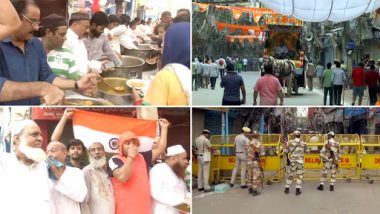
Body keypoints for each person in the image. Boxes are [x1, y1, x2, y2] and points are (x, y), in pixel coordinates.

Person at [0, 1, 98, 105]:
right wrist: (42, 88)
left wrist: (77, 84)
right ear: (15, 18)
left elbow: (47, 76)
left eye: (38, 23)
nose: (36, 28)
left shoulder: (35, 44)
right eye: (32, 21)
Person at [109, 119, 169, 214]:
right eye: (127, 143)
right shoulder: (114, 159)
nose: (132, 146)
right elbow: (122, 177)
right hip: (125, 210)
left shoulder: (142, 157)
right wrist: (131, 157)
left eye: (134, 143)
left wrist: (164, 128)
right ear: (120, 146)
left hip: (144, 209)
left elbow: (160, 149)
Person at [0, 120, 52, 213]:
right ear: (17, 138)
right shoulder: (3, 162)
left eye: (41, 135)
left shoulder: (44, 166)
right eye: (34, 134)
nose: (40, 138)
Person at [46, 141, 87, 214]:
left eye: (53, 151)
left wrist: (59, 177)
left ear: (64, 153)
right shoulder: (43, 173)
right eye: (47, 152)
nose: (49, 155)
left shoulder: (76, 172)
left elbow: (81, 196)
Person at [150, 145, 190, 214]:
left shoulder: (177, 173)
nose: (186, 161)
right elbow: (156, 192)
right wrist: (182, 200)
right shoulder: (159, 168)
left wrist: (188, 199)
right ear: (174, 158)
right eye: (184, 158)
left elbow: (183, 193)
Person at [40, 14, 81, 80]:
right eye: (62, 34)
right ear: (48, 32)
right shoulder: (31, 52)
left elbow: (75, 83)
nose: (65, 39)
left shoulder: (68, 55)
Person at [81, 142, 115, 214]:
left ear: (104, 151)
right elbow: (84, 200)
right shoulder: (87, 171)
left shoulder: (110, 170)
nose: (97, 152)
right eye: (93, 150)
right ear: (89, 153)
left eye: (99, 149)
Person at [284, 131, 309, 196]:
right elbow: (307, 152)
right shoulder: (303, 143)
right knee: (299, 175)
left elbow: (286, 151)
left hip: (292, 161)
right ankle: (297, 190)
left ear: (294, 135)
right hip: (300, 162)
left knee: (290, 174)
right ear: (299, 135)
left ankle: (287, 188)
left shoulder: (290, 142)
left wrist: (286, 146)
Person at [246, 130, 263, 196]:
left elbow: (246, 151)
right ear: (258, 136)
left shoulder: (248, 143)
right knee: (255, 176)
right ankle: (254, 190)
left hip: (249, 161)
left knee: (250, 175)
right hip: (255, 162)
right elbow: (262, 153)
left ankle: (250, 188)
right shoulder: (259, 144)